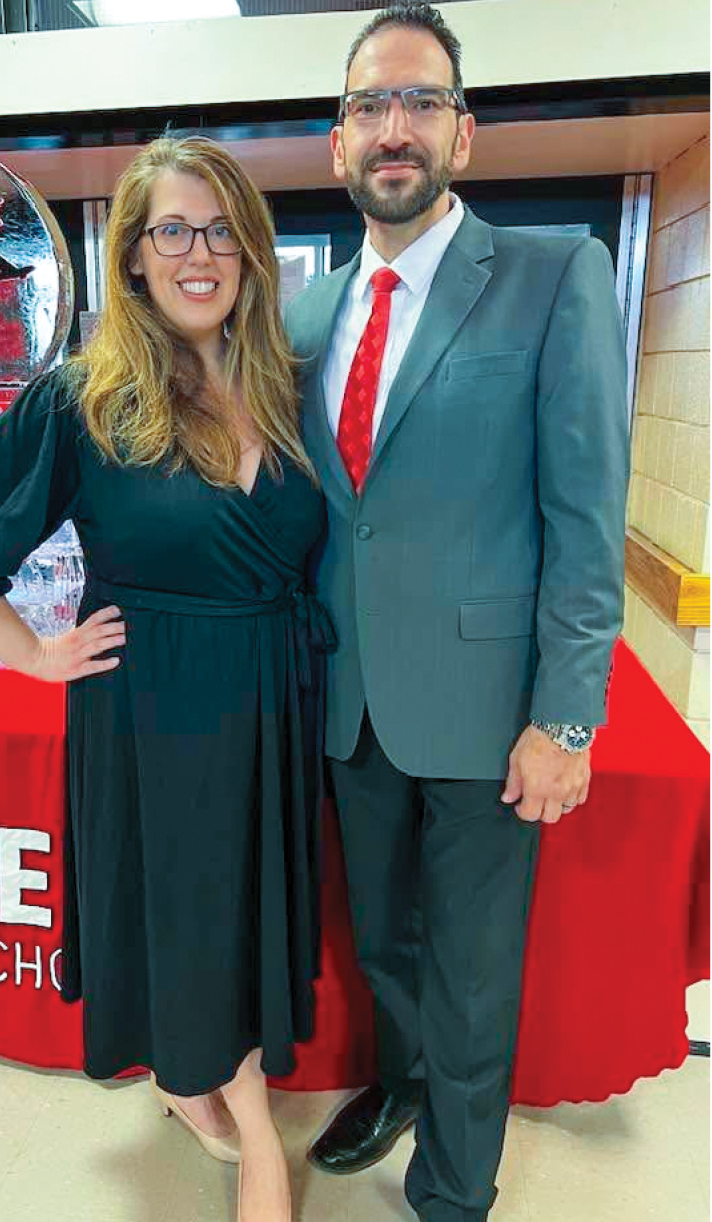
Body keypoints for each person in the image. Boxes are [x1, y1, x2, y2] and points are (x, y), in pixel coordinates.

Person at [0, 135, 335, 1222]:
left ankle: (196, 1081)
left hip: (272, 695)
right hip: (155, 705)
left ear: (252, 253)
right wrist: (33, 654)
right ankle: (256, 1134)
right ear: (132, 255)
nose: (199, 252)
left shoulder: (281, 384)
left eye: (222, 230)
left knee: (244, 906)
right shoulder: (89, 396)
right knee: (190, 911)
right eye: (173, 229)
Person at [285, 5, 629, 1220]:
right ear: (336, 145)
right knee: (382, 941)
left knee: (476, 974)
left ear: (462, 135)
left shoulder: (552, 277)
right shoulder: (309, 315)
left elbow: (584, 514)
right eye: (370, 106)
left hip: (491, 715)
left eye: (420, 102)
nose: (394, 128)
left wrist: (568, 718)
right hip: (351, 703)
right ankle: (401, 1083)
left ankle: (451, 1190)